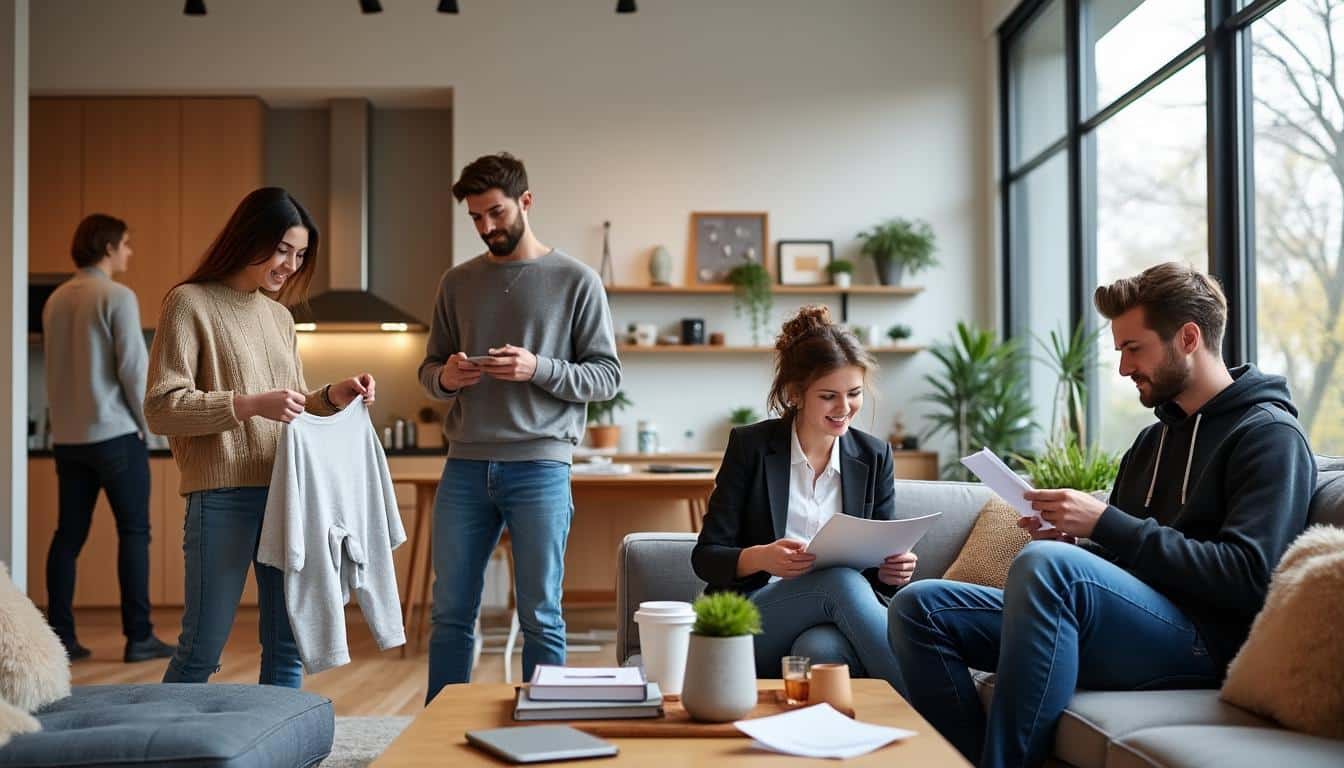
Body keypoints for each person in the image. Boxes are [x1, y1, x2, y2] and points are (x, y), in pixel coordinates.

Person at [888, 262, 1317, 768]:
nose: (1123, 368)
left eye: (1134, 349)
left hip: (1204, 644)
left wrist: (1102, 525)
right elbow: (1126, 557)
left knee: (1048, 567)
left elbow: (1249, 577)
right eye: (1120, 352)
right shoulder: (1152, 441)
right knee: (920, 606)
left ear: (1188, 338)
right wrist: (1078, 545)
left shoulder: (1268, 435)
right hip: (1132, 624)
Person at [144, 187, 376, 688]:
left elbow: (291, 405)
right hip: (221, 496)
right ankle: (167, 735)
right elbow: (162, 408)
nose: (290, 266)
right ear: (249, 239)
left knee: (289, 646)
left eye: (300, 255)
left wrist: (332, 396)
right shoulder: (188, 303)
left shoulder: (280, 317)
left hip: (286, 495)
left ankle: (281, 737)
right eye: (282, 250)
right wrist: (247, 405)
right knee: (201, 649)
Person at [418, 152, 621, 701]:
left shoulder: (577, 281)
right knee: (451, 613)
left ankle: (546, 724)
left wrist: (538, 368)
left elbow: (607, 377)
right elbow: (429, 371)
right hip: (465, 466)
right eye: (476, 218)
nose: (486, 227)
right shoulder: (457, 283)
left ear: (525, 201)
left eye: (496, 212)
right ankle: (440, 727)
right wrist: (448, 378)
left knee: (540, 613)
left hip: (540, 466)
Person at [691, 305, 914, 694]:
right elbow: (706, 556)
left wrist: (891, 572)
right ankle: (934, 714)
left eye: (854, 394)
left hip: (826, 620)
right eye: (829, 396)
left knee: (819, 651)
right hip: (753, 615)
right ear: (795, 394)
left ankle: (825, 733)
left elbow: (877, 575)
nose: (844, 408)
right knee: (839, 582)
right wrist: (762, 557)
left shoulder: (874, 456)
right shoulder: (751, 447)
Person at [41, 214, 176, 663]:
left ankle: (60, 639)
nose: (129, 252)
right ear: (108, 247)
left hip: (68, 440)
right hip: (116, 436)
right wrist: (153, 429)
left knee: (67, 537)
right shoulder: (117, 296)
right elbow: (134, 371)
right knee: (134, 532)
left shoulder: (55, 300)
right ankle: (139, 638)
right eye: (126, 244)